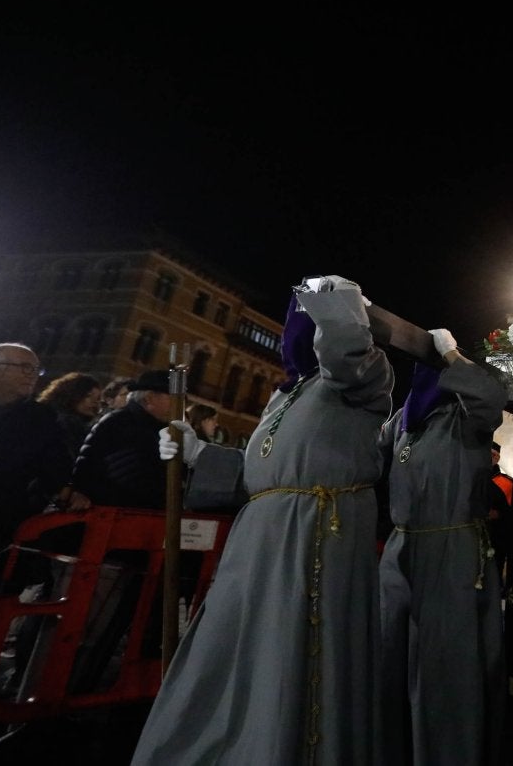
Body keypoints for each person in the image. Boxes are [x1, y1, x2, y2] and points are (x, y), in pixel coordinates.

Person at [130, 275, 394, 765]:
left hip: (312, 535)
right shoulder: (283, 397)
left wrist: (337, 303)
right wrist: (198, 453)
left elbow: (345, 354)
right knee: (239, 653)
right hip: (260, 541)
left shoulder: (359, 381)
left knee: (291, 657)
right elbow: (266, 478)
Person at [376, 328, 508, 765]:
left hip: (451, 554)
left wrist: (451, 355)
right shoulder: (403, 422)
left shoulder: (466, 415)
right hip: (401, 553)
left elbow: (492, 395)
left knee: (445, 668)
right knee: (393, 659)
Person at [0, 343, 88, 704]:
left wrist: (69, 489)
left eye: (35, 369)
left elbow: (55, 464)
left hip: (1, 530)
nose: (31, 375)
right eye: (22, 366)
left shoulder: (37, 418)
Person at [70, 370, 177, 510]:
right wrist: (81, 491)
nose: (178, 407)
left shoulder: (165, 430)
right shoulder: (117, 422)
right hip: (111, 512)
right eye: (174, 399)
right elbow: (88, 461)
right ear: (150, 398)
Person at [36, 371, 104, 458]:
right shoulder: (60, 423)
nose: (94, 402)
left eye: (98, 398)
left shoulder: (84, 425)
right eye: (88, 396)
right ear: (72, 394)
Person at [487, 440, 513, 587]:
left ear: (497, 458)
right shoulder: (471, 479)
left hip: (496, 540)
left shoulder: (506, 483)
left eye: (491, 454)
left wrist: (499, 514)